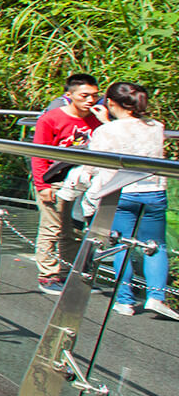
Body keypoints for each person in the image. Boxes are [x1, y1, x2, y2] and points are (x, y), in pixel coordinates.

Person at [61, 82, 172, 318]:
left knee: (122, 244)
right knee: (155, 246)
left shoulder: (106, 131)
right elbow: (134, 137)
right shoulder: (156, 127)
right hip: (153, 190)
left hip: (121, 192)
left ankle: (125, 300)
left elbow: (95, 161)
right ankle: (156, 297)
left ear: (109, 103)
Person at [31, 73, 104, 294]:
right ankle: (48, 275)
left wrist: (105, 121)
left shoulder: (96, 119)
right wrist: (42, 186)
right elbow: (38, 154)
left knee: (72, 230)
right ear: (70, 95)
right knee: (52, 228)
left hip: (83, 182)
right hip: (54, 181)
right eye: (84, 95)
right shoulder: (51, 118)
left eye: (94, 95)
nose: (90, 100)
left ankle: (71, 273)